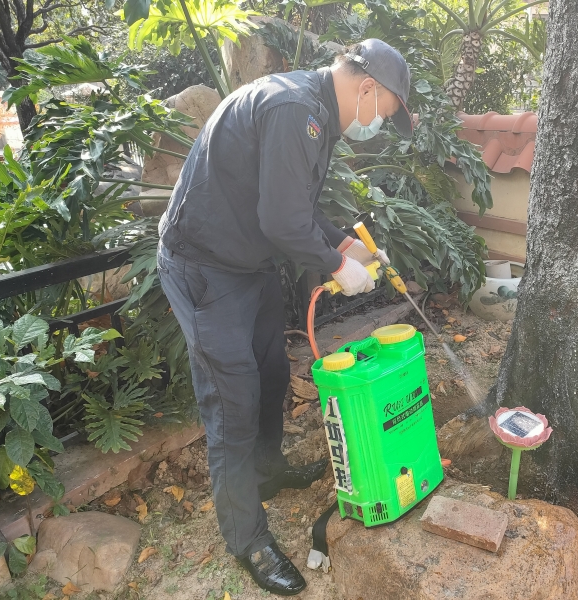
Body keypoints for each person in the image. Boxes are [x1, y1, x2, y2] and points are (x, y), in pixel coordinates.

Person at [156, 39, 413, 596]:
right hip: (203, 266)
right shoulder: (295, 109)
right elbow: (280, 219)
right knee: (234, 403)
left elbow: (296, 205)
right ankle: (246, 539)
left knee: (272, 374)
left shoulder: (312, 109)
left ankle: (267, 471)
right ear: (368, 89)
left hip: (245, 264)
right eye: (385, 113)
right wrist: (337, 266)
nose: (378, 124)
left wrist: (343, 242)